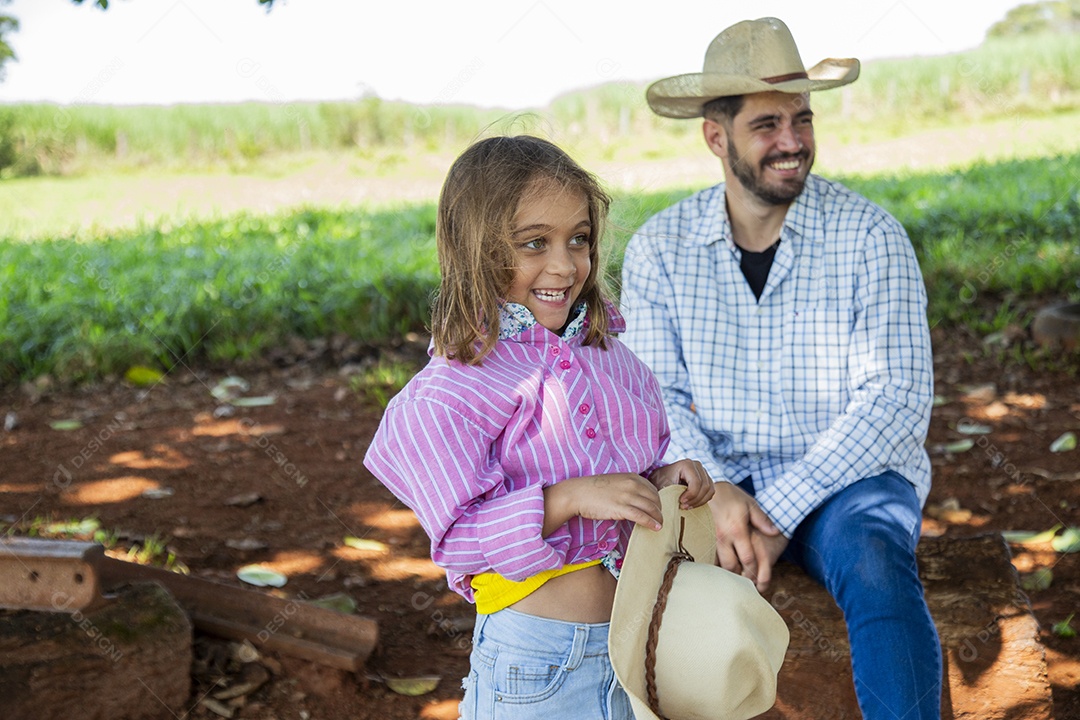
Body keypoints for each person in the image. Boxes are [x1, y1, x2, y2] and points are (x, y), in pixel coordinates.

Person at [619, 17, 942, 720]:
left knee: (877, 564)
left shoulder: (869, 235)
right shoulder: (659, 250)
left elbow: (895, 399)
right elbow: (653, 398)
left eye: (802, 118)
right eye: (767, 124)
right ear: (716, 136)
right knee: (642, 590)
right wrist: (719, 488)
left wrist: (779, 509)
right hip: (712, 482)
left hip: (845, 480)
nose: (793, 141)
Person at [363, 134, 714, 720]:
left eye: (579, 239)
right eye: (534, 244)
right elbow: (459, 541)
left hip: (634, 652)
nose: (564, 265)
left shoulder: (611, 360)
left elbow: (617, 485)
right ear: (477, 251)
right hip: (538, 665)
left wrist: (661, 478)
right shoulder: (458, 385)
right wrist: (569, 499)